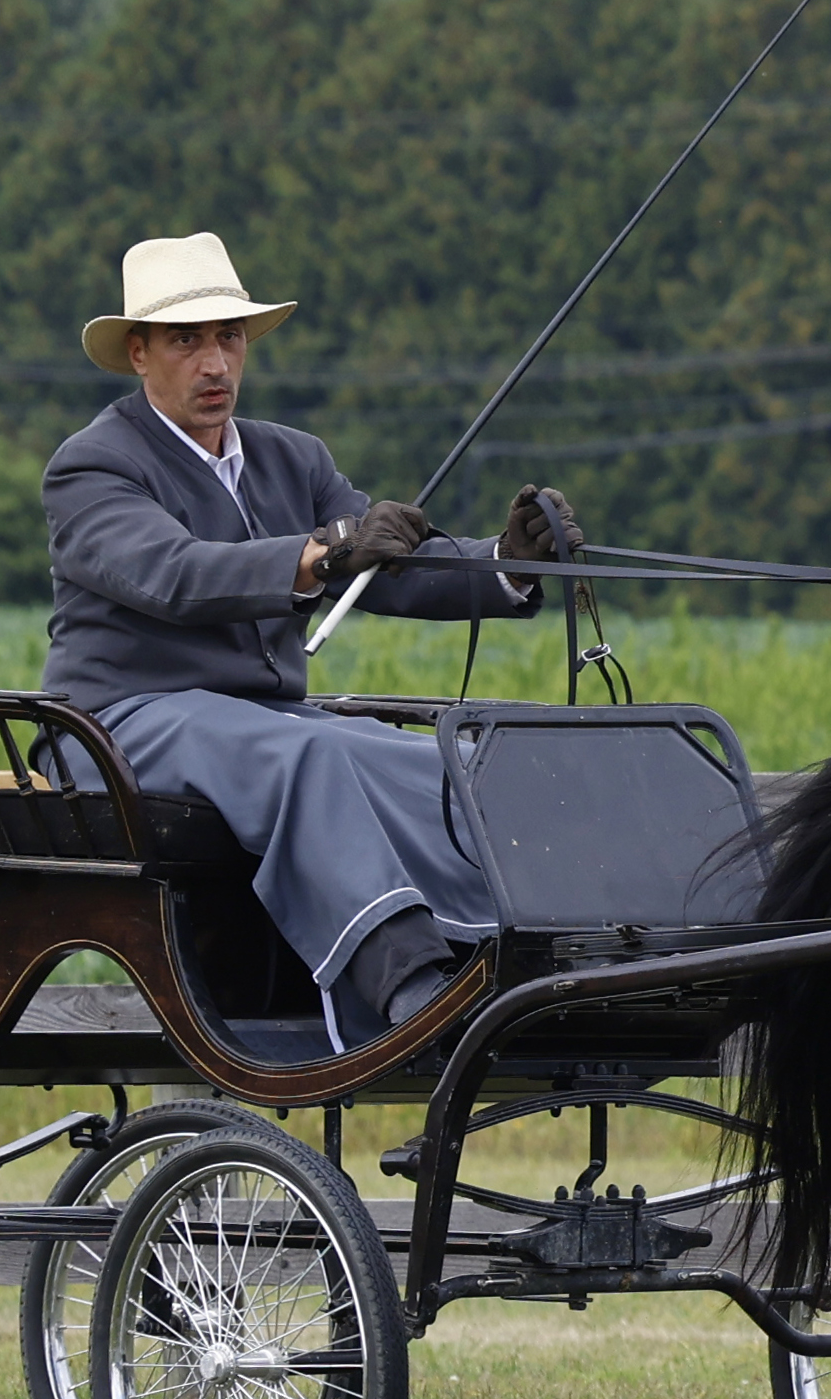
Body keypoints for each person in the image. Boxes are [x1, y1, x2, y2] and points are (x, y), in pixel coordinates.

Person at [41, 231, 584, 1042]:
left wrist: (506, 561)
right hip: (118, 727)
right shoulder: (93, 468)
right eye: (187, 342)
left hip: (257, 726)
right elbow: (175, 574)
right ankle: (408, 983)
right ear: (139, 354)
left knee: (436, 760)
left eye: (229, 337)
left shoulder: (292, 459)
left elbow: (386, 566)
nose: (215, 364)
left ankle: (507, 950)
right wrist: (324, 550)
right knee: (309, 753)